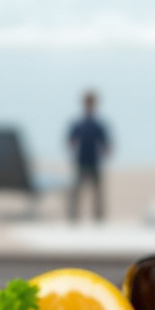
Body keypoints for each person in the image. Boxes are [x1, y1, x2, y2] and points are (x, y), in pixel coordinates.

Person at [66, 91, 112, 222]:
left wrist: (106, 151)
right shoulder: (80, 123)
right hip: (81, 160)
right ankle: (73, 214)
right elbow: (71, 140)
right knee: (77, 190)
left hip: (94, 161)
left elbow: (105, 143)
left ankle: (98, 216)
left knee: (97, 191)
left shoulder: (97, 124)